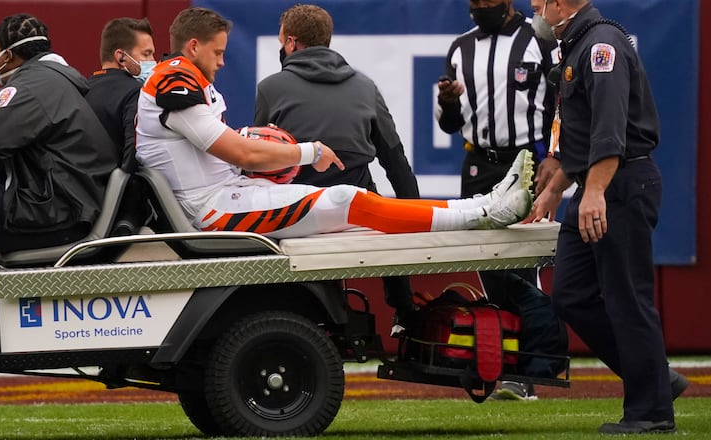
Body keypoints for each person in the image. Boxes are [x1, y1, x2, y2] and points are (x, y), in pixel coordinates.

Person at [135, 7, 533, 248]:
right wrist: (308, 151)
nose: (222, 62)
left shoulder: (182, 77)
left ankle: (480, 206)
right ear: (192, 47)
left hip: (229, 194)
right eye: (217, 52)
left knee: (350, 200)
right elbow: (242, 153)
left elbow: (237, 150)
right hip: (212, 208)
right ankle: (481, 211)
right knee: (347, 200)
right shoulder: (174, 80)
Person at [528, 0, 688, 433]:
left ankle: (651, 412)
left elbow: (610, 128)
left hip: (619, 184)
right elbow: (579, 130)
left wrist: (594, 190)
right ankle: (655, 378)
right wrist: (557, 189)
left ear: (559, 4)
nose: (533, 8)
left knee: (627, 300)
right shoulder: (576, 45)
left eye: (538, 1)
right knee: (571, 296)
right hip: (595, 185)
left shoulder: (602, 46)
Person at [254, 4, 420, 335]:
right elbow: (394, 158)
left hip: (296, 209)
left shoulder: (270, 88)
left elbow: (259, 160)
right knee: (376, 197)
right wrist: (411, 211)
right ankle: (405, 314)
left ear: (290, 42)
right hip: (359, 207)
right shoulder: (365, 86)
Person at [435, 0, 565, 399]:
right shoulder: (461, 48)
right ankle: (503, 363)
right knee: (485, 263)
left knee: (524, 267)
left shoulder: (538, 41)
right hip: (479, 161)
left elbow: (565, 102)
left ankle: (534, 369)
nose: (480, 9)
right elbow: (450, 124)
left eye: (487, 2)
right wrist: (450, 103)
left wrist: (555, 158)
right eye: (474, 4)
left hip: (528, 160)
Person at [0, 14, 118, 253]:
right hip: (69, 204)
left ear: (7, 56)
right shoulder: (58, 78)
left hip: (56, 214)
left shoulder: (32, 85)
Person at [87, 17, 156, 172]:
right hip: (117, 191)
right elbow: (135, 152)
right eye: (147, 54)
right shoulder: (136, 94)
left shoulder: (81, 89)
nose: (153, 61)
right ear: (121, 57)